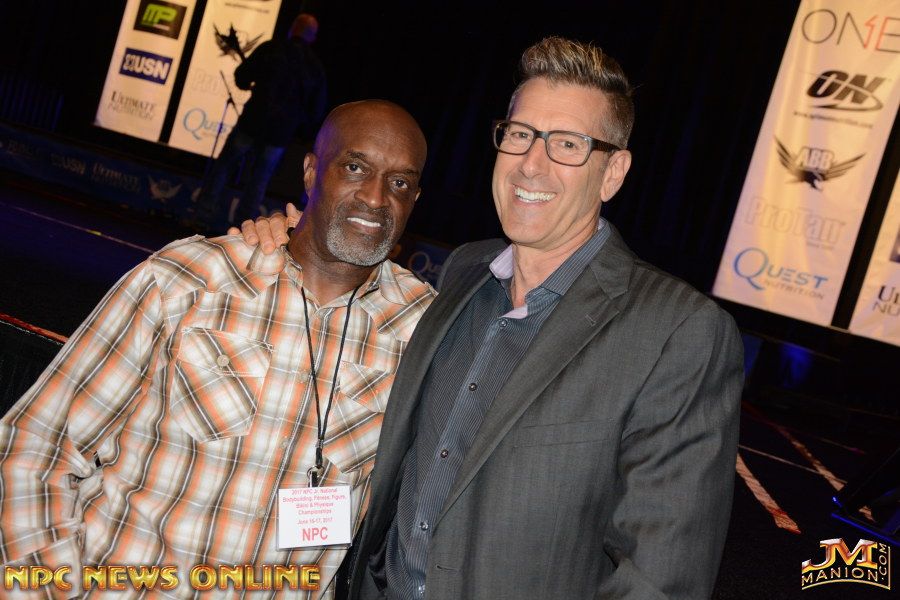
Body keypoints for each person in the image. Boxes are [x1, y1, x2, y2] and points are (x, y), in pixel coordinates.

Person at [245, 37, 744, 599]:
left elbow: (659, 580)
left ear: (613, 173)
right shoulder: (464, 273)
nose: (531, 163)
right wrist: (287, 241)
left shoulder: (678, 332)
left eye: (568, 144)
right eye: (520, 134)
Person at [0, 100, 434, 599]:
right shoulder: (190, 279)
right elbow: (37, 447)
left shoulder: (422, 331)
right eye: (355, 167)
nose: (376, 197)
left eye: (400, 183)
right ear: (312, 172)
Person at [198, 12, 328, 226]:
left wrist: (254, 85)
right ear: (313, 37)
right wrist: (298, 127)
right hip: (279, 133)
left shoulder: (271, 48)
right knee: (260, 180)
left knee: (225, 166)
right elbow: (316, 110)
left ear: (293, 28)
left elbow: (242, 76)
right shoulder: (313, 66)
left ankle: (202, 215)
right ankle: (244, 228)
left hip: (252, 121)